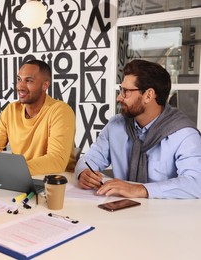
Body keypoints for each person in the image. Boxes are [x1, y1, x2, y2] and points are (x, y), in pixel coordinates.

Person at [76, 59, 201, 199]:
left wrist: (140, 190)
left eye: (125, 92)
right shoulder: (115, 126)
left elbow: (196, 183)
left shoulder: (184, 134)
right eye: (120, 90)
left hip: (165, 217)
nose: (119, 97)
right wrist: (84, 172)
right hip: (118, 213)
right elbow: (90, 158)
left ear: (148, 95)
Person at [0, 59, 76, 175]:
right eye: (19, 79)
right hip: (21, 177)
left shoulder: (60, 111)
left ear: (45, 85)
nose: (20, 86)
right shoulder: (10, 110)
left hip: (59, 183)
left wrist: (13, 169)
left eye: (29, 81)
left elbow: (56, 161)